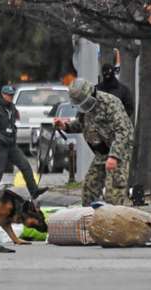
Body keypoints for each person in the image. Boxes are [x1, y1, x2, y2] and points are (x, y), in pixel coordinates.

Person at [54, 78, 134, 206]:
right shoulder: (84, 109)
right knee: (89, 187)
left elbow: (123, 131)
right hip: (102, 152)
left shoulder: (110, 103)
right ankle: (89, 217)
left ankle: (115, 219)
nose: (84, 106)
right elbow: (82, 125)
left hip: (119, 151)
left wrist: (114, 156)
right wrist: (65, 126)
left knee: (113, 191)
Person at [0, 85, 48, 199]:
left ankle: (34, 191)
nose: (10, 97)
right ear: (2, 94)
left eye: (12, 95)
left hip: (11, 145)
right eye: (8, 95)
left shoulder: (12, 107)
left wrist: (13, 134)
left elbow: (12, 124)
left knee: (25, 165)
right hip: (0, 146)